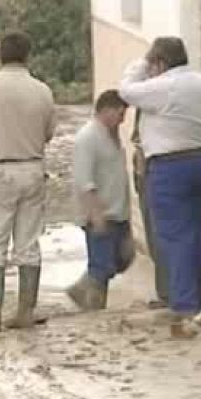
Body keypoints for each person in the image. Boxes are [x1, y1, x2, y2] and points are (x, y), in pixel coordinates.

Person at [119, 37, 201, 339]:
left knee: (174, 236)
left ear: (161, 63)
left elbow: (126, 91)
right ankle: (200, 297)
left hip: (170, 168)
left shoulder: (164, 86)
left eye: (153, 65)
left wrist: (140, 65)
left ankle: (185, 306)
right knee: (199, 230)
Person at [0, 32, 56, 331]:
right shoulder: (42, 90)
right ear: (27, 56)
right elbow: (49, 133)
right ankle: (25, 311)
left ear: (0, 55)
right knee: (28, 243)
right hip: (31, 169)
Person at [66, 90, 134, 311]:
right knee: (101, 268)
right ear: (105, 110)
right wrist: (95, 213)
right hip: (101, 213)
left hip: (118, 211)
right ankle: (95, 312)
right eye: (120, 113)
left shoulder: (111, 135)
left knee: (124, 257)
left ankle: (80, 288)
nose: (123, 119)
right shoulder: (88, 138)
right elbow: (83, 179)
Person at [131, 110, 168, 309]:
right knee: (155, 240)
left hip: (154, 176)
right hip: (146, 175)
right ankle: (166, 293)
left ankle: (167, 295)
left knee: (159, 238)